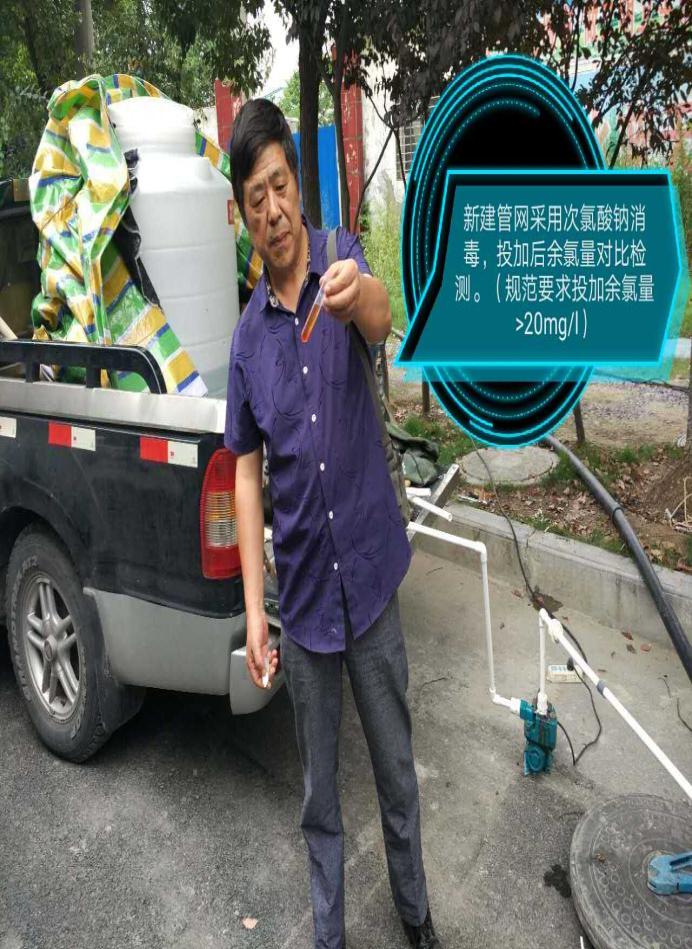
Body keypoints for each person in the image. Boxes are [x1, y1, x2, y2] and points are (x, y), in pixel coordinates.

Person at [224, 98, 444, 949]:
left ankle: (416, 915)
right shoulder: (247, 341)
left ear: (296, 182)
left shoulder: (343, 261)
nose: (274, 209)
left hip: (372, 577)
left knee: (396, 771)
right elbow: (246, 474)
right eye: (256, 198)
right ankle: (330, 936)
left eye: (280, 185)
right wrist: (255, 611)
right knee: (320, 797)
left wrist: (361, 297)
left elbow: (384, 318)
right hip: (307, 598)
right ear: (243, 214)